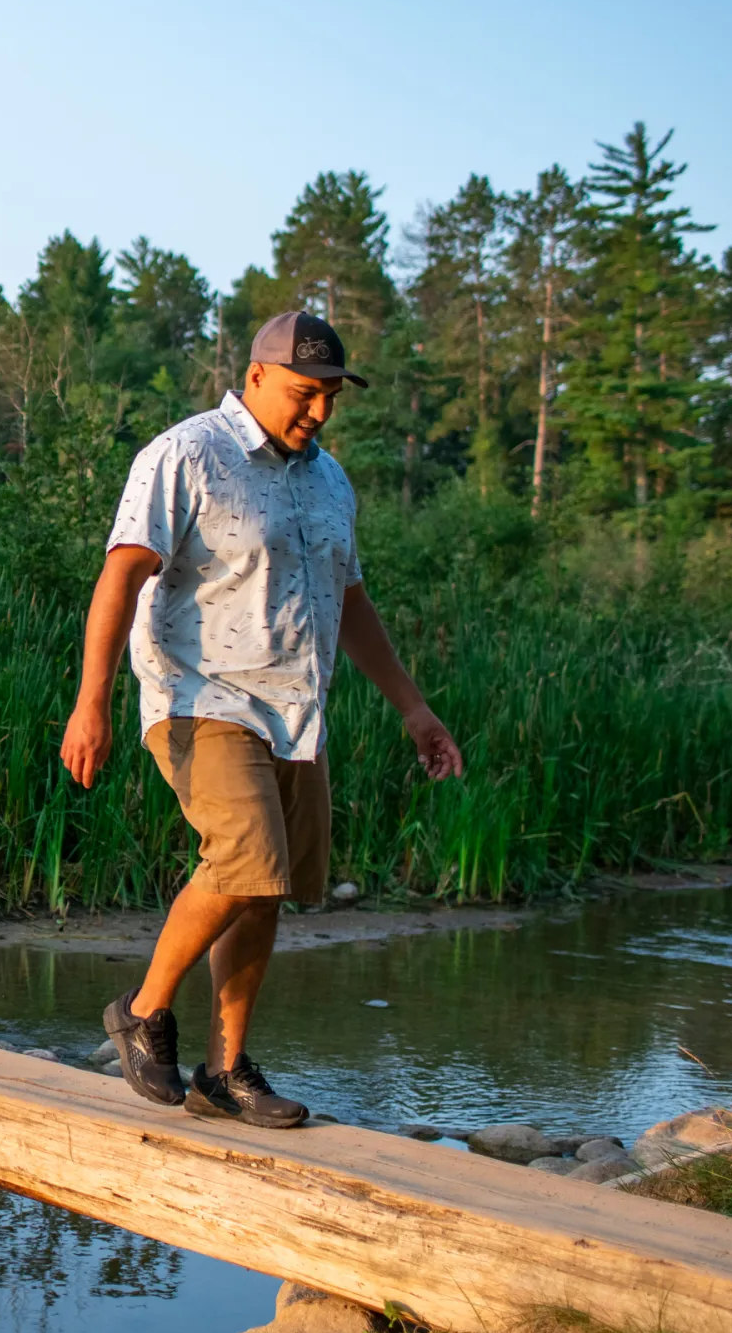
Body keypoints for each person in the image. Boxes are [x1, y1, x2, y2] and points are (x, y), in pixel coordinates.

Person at [61, 312, 463, 1128]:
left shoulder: (330, 481)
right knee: (246, 857)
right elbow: (122, 575)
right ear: (255, 377)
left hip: (296, 712)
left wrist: (414, 708)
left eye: (330, 399)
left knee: (265, 888)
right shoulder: (187, 454)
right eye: (304, 393)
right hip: (199, 695)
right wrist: (90, 700)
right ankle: (141, 1013)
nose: (318, 411)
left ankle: (227, 1068)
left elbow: (350, 603)